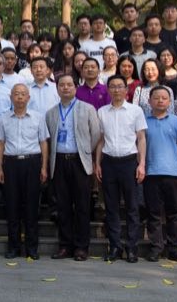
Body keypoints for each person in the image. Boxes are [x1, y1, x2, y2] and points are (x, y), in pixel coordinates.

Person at [47, 74, 103, 261]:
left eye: (69, 85)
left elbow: (96, 134)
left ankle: (81, 247)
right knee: (63, 206)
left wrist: (86, 151)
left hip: (79, 161)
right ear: (57, 89)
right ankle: (65, 246)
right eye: (61, 85)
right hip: (59, 161)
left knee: (82, 206)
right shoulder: (51, 112)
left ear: (75, 87)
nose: (65, 88)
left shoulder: (87, 109)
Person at [95, 74, 147, 263]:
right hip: (109, 162)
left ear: (126, 90)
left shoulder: (135, 111)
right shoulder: (102, 112)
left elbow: (141, 138)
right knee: (111, 207)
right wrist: (97, 164)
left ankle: (132, 247)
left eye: (120, 86)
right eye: (113, 86)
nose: (116, 90)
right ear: (108, 90)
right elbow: (101, 140)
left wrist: (142, 164)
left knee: (132, 207)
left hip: (129, 162)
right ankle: (115, 246)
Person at [0, 83, 49, 260]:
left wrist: (43, 167)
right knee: (12, 207)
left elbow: (43, 142)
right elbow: (1, 143)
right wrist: (0, 167)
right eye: (16, 94)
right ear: (11, 97)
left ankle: (32, 248)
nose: (19, 97)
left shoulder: (38, 117)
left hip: (32, 163)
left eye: (23, 94)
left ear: (28, 97)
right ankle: (13, 247)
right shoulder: (4, 118)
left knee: (31, 207)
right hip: (11, 164)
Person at [143, 86, 177, 262]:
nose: (160, 101)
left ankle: (174, 249)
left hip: (173, 173)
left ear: (170, 101)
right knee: (153, 213)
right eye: (156, 98)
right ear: (149, 101)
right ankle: (156, 247)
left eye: (164, 98)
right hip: (150, 173)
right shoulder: (143, 121)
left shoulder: (176, 121)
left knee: (174, 213)